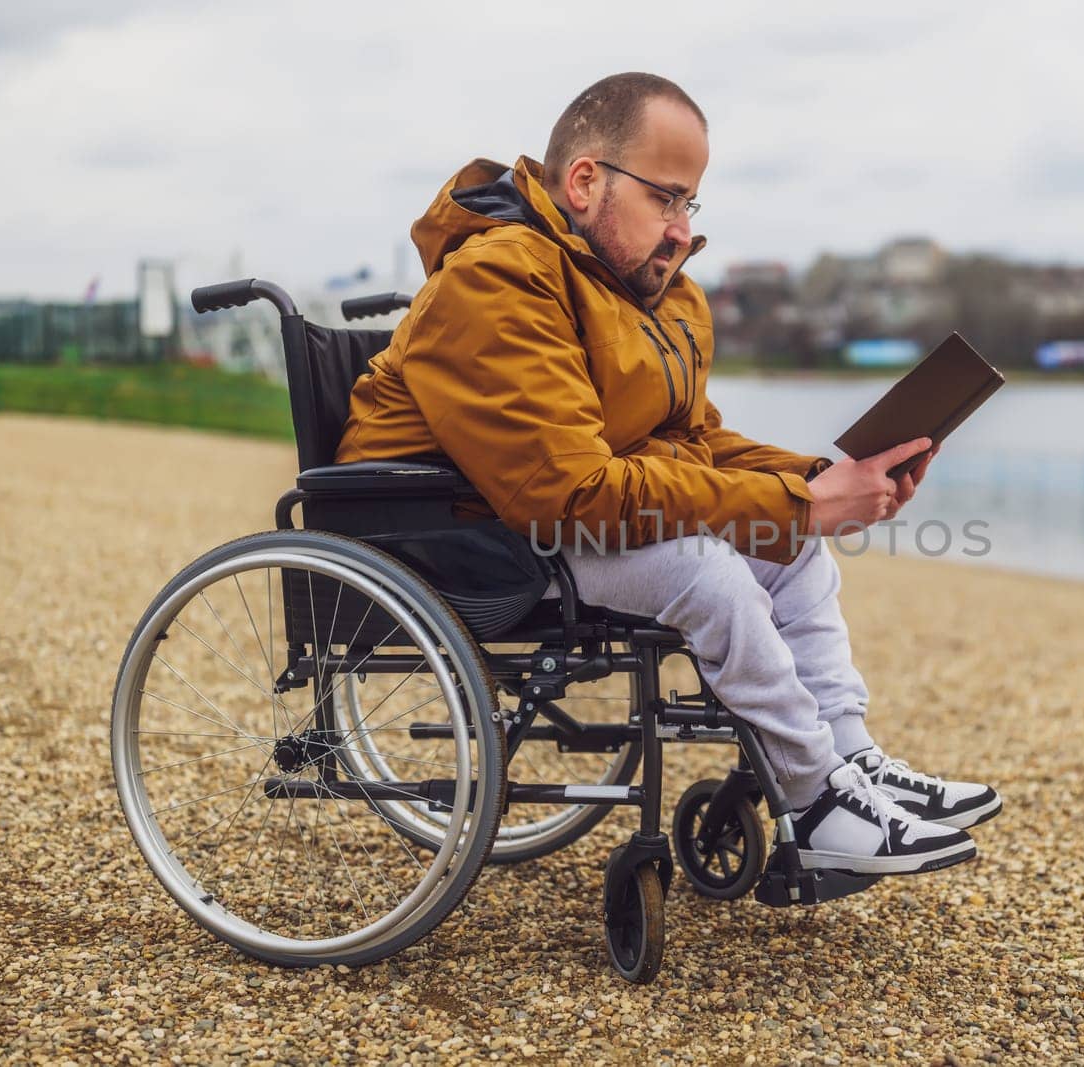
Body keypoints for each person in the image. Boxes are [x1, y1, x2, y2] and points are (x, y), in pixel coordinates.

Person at [337, 72, 1000, 876]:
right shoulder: (497, 279)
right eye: (667, 198)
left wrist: (828, 478)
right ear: (584, 182)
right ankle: (816, 798)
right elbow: (574, 492)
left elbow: (694, 443)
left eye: (692, 205)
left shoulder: (629, 291)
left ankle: (851, 760)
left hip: (542, 523)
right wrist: (799, 501)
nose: (682, 230)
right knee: (707, 570)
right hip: (467, 536)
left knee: (791, 552)